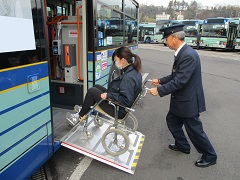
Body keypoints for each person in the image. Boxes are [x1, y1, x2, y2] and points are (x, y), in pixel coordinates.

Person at [148, 24, 217, 168]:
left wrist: (159, 90)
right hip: (181, 100)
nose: (165, 41)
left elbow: (180, 81)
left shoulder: (188, 55)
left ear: (174, 38)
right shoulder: (182, 52)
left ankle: (210, 155)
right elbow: (175, 75)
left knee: (195, 131)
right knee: (172, 121)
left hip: (188, 101)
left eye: (166, 38)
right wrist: (160, 81)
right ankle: (182, 145)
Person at [67, 46, 142, 126]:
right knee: (96, 86)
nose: (115, 63)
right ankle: (85, 108)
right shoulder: (134, 71)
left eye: (115, 60)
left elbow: (126, 100)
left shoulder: (128, 78)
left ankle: (80, 117)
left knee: (92, 91)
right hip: (119, 105)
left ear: (122, 60)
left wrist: (109, 95)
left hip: (118, 110)